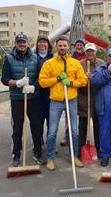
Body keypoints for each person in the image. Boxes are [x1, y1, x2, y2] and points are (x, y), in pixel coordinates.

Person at [38, 35, 87, 171]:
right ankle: (50, 157)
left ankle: (74, 156)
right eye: (60, 45)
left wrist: (71, 82)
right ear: (56, 46)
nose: (62, 47)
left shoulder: (74, 63)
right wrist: (57, 78)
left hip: (71, 99)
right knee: (52, 131)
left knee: (74, 131)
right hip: (55, 100)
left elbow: (83, 80)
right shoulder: (50, 63)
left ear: (68, 47)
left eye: (64, 45)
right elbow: (42, 81)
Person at [1, 33, 43, 166]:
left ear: (27, 43)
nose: (22, 44)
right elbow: (4, 79)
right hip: (17, 98)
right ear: (16, 43)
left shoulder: (35, 58)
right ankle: (16, 155)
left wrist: (33, 87)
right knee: (18, 127)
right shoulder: (9, 58)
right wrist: (17, 82)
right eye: (19, 42)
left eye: (24, 42)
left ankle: (37, 151)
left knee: (36, 126)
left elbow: (40, 78)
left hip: (33, 98)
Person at [78, 43, 104, 159]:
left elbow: (104, 78)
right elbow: (76, 80)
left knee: (98, 127)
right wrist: (84, 77)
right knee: (82, 127)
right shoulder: (80, 64)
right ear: (85, 52)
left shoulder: (101, 64)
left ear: (95, 52)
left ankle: (98, 149)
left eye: (92, 51)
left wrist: (93, 77)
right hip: (84, 99)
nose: (90, 53)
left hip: (97, 99)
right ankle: (80, 150)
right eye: (88, 51)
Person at [60, 38, 86, 146]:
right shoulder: (70, 57)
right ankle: (67, 136)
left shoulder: (87, 56)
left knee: (82, 116)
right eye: (77, 45)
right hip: (71, 90)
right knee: (69, 115)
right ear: (74, 46)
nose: (79, 47)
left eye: (81, 45)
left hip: (83, 90)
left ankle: (79, 137)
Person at [36, 35, 53, 145]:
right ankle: (39, 141)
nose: (42, 44)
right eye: (40, 42)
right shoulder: (33, 57)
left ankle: (50, 142)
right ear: (37, 45)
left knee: (51, 121)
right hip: (36, 94)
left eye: (45, 42)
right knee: (38, 120)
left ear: (48, 45)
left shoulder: (53, 58)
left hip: (50, 94)